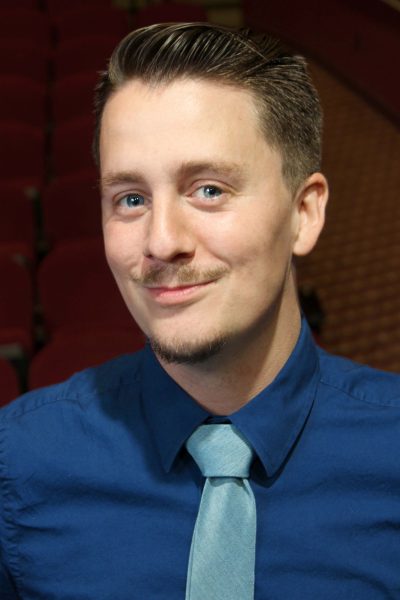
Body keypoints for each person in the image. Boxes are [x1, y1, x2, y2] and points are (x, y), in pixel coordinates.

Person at [1, 23, 399, 600]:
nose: (162, 242)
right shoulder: (19, 463)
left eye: (209, 190)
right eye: (131, 199)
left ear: (304, 213)